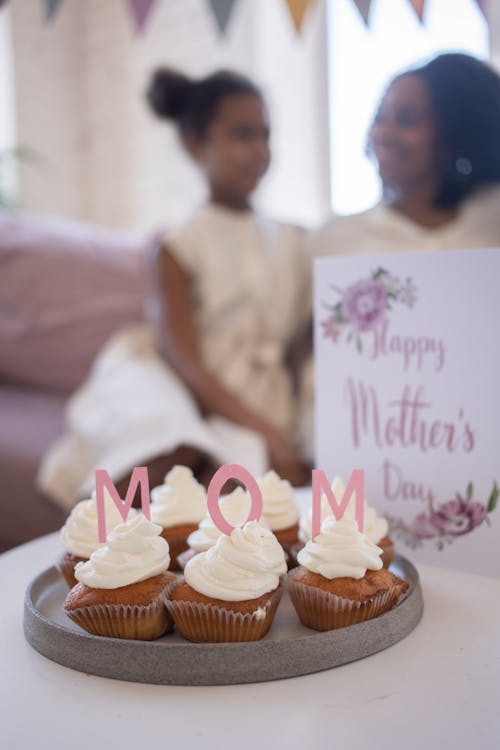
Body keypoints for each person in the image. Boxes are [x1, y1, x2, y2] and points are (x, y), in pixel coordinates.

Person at [37, 68, 311, 509]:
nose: (260, 150)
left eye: (265, 135)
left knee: (238, 494)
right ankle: (101, 550)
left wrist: (285, 423)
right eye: (243, 135)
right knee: (176, 448)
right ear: (195, 144)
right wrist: (267, 433)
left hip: (260, 395)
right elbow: (186, 361)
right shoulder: (178, 244)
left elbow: (301, 341)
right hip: (185, 382)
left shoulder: (292, 239)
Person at [313, 52, 500, 257]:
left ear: (454, 130)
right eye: (380, 118)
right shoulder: (334, 239)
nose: (384, 134)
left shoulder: (492, 218)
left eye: (406, 120)